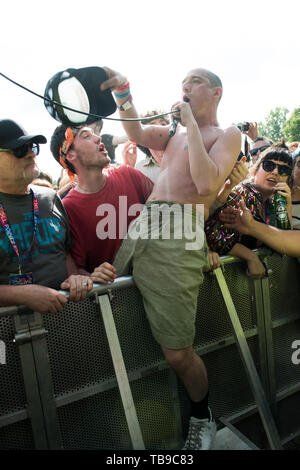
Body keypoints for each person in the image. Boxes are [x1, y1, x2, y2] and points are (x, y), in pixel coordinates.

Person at [99, 66, 241, 450]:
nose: (185, 87)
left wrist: (191, 126)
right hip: (144, 225)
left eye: (194, 82)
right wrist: (124, 93)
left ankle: (201, 415)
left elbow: (207, 183)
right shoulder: (174, 133)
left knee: (177, 350)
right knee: (105, 297)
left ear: (216, 92)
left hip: (180, 232)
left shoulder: (227, 135)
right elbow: (136, 132)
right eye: (183, 84)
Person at [0, 119, 93, 315]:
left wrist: (75, 277)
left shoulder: (50, 198)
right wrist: (23, 295)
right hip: (12, 331)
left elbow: (64, 252)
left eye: (32, 146)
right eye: (19, 150)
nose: (31, 153)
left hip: (67, 320)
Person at [50, 124, 154, 276]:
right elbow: (77, 271)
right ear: (70, 155)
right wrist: (93, 276)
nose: (99, 138)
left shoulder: (129, 174)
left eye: (95, 134)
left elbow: (168, 209)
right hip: (116, 295)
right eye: (86, 136)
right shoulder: (68, 209)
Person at [205, 143, 293, 278]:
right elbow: (215, 236)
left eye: (283, 170)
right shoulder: (242, 193)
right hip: (226, 279)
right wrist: (251, 257)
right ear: (256, 170)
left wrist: (287, 207)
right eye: (269, 166)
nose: (275, 172)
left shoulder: (273, 202)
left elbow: (287, 243)